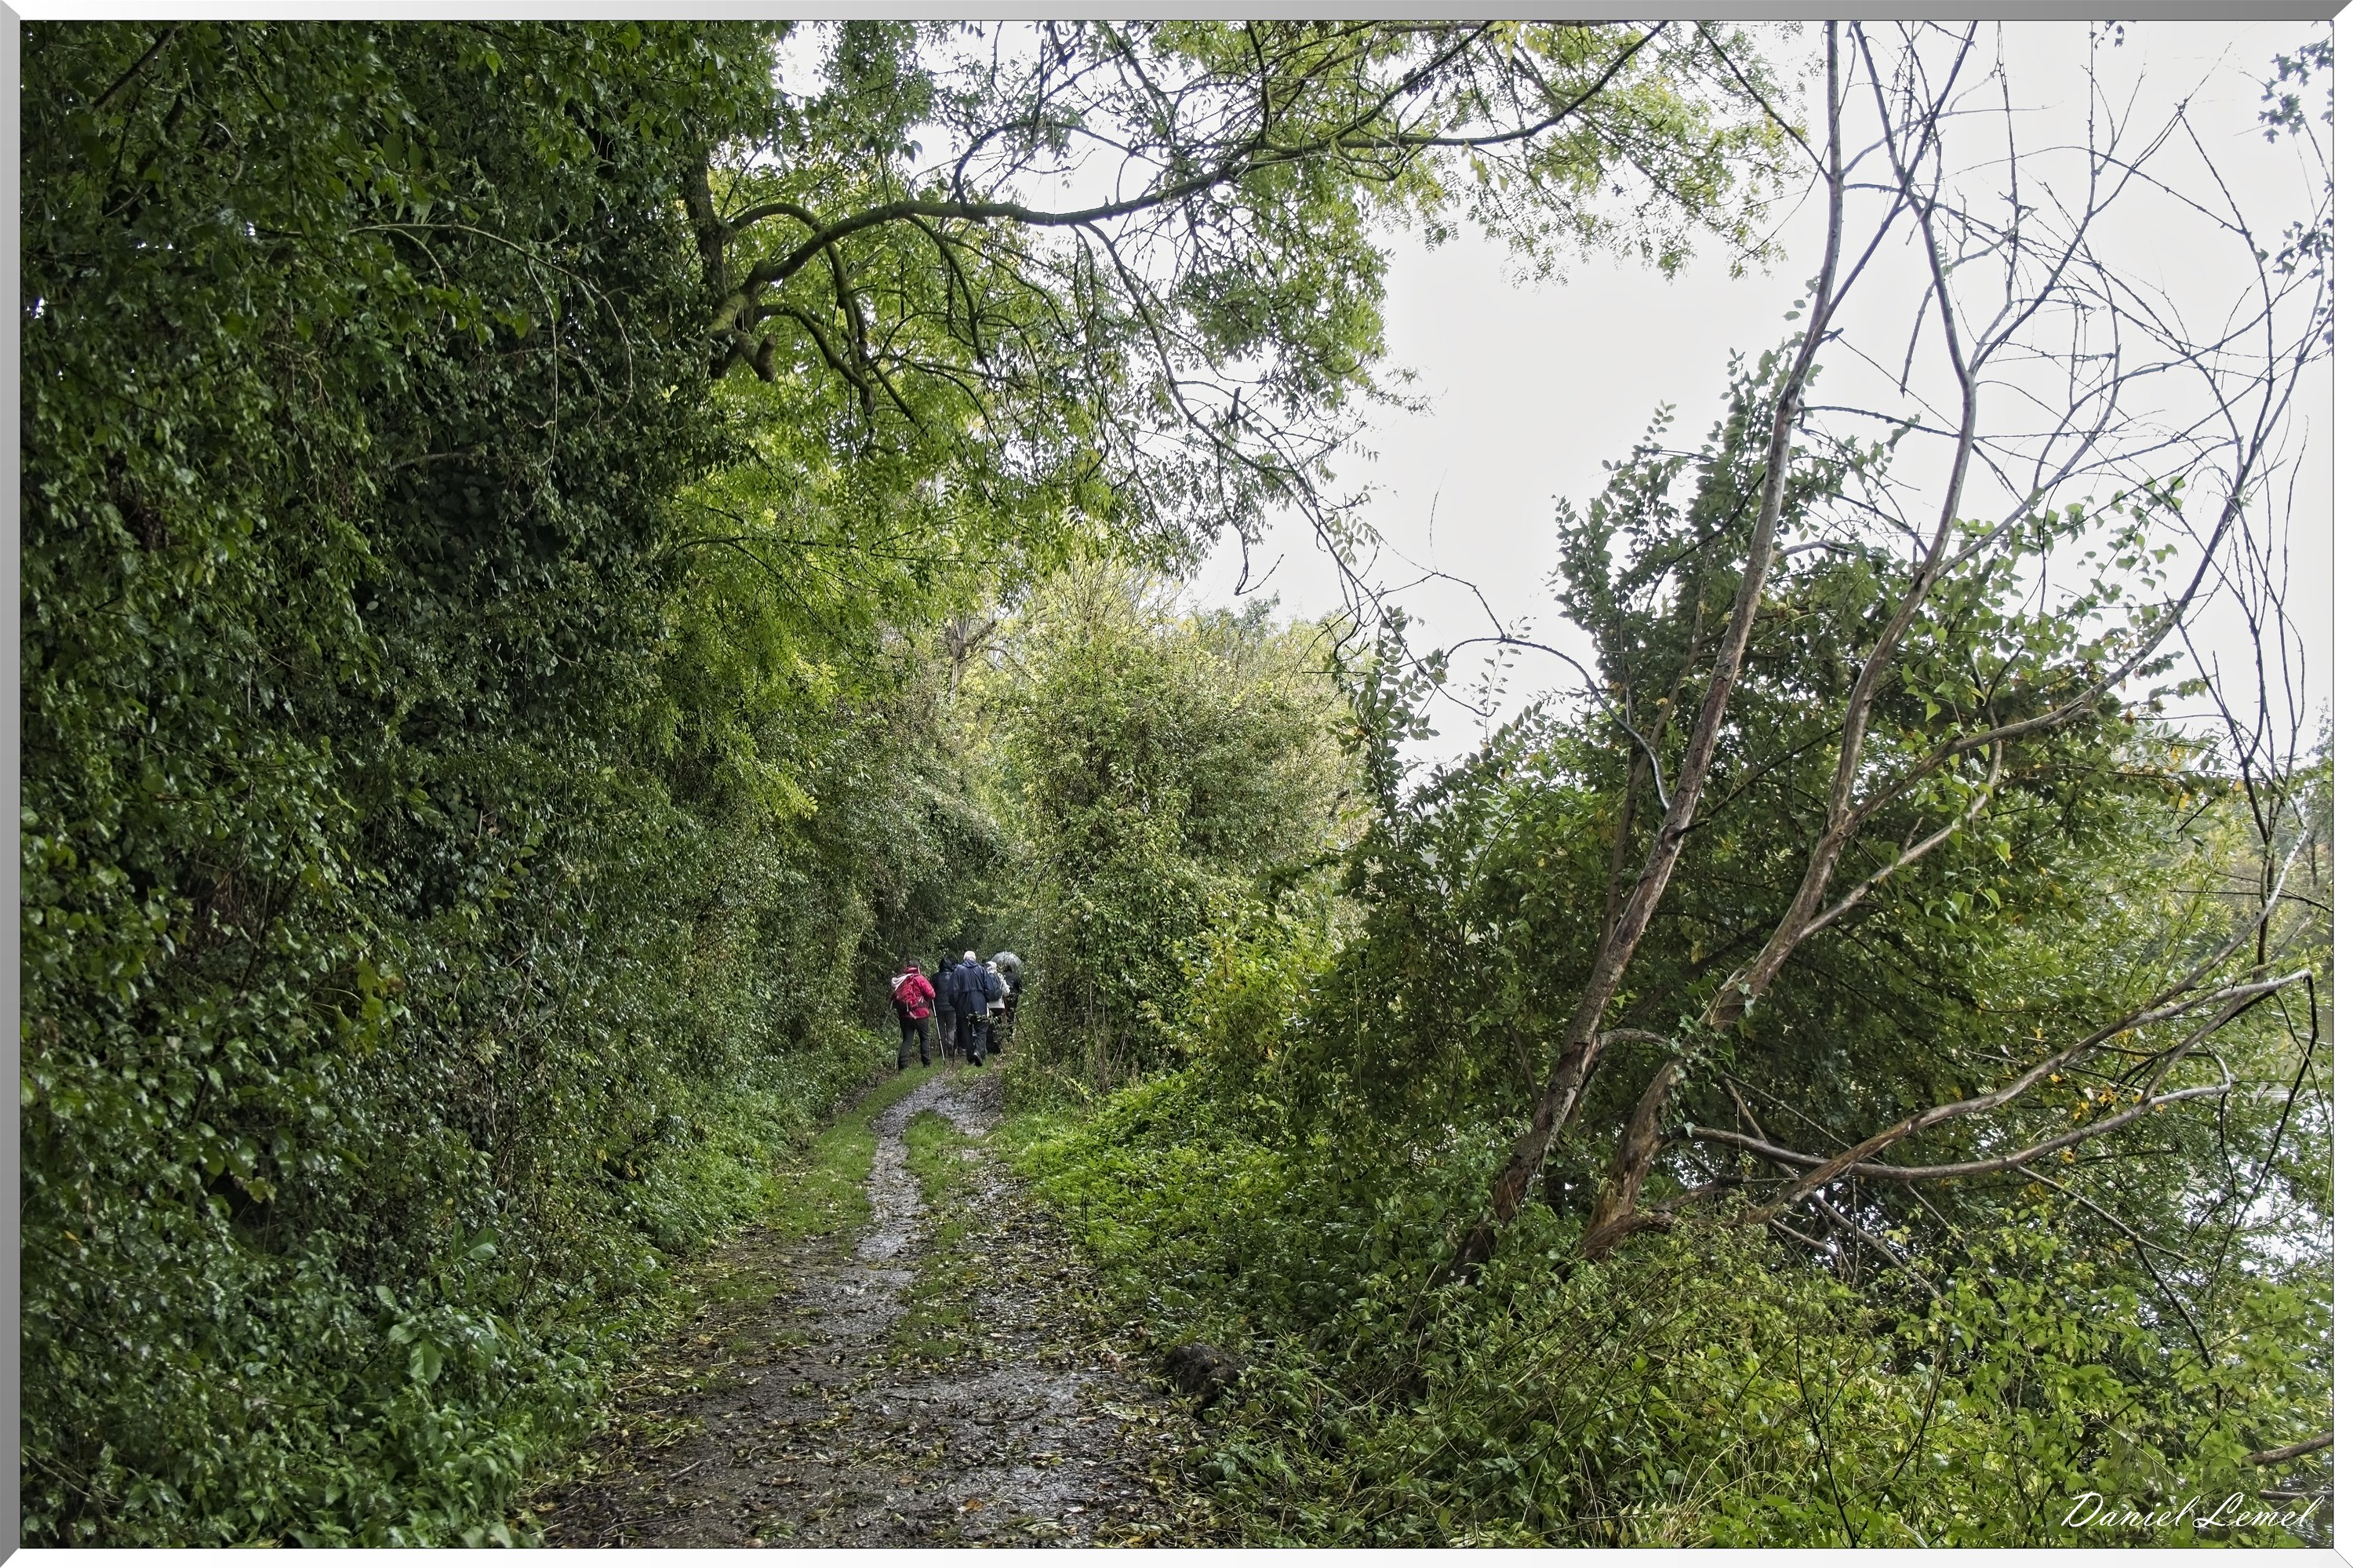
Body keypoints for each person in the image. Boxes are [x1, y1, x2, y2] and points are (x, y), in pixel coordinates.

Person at [889, 962, 935, 1070]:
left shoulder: (902, 979)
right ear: (918, 968)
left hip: (905, 1014)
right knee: (924, 1037)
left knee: (907, 1039)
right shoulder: (920, 978)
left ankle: (903, 1065)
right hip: (921, 1014)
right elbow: (931, 994)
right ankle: (926, 1063)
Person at [951, 950, 991, 1065]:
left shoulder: (958, 970)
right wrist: (986, 999)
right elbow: (989, 988)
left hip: (963, 1007)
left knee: (966, 1032)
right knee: (982, 1029)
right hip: (979, 1004)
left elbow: (953, 991)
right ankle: (978, 1052)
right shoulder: (981, 970)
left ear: (964, 959)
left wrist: (955, 1004)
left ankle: (970, 1057)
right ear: (974, 958)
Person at [991, 951, 1024, 1046]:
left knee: (1000, 1014)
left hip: (1004, 997)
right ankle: (1009, 1035)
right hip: (1013, 996)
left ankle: (999, 1037)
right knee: (1011, 1015)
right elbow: (1020, 988)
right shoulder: (1015, 977)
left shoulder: (1000, 975)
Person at [983, 960, 1009, 1055]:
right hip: (999, 1005)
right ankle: (997, 1042)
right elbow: (1007, 991)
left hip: (988, 1006)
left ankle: (989, 1046)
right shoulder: (1000, 976)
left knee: (989, 1025)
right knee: (998, 1025)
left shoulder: (984, 976)